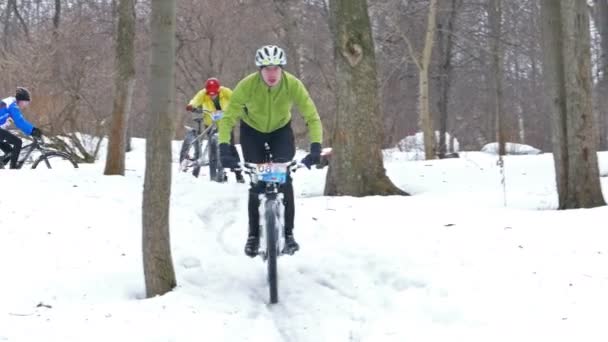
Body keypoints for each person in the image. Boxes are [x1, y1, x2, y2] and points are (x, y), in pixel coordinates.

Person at [218, 45, 323, 257]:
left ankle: (289, 235)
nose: (272, 74)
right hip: (252, 132)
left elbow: (311, 116)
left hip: (280, 132)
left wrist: (315, 147)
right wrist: (223, 148)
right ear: (260, 70)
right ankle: (253, 236)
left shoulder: (292, 84)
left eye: (276, 68)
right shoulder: (247, 85)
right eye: (267, 69)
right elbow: (228, 118)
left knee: (284, 180)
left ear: (282, 68)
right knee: (257, 184)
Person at [186, 77, 244, 183]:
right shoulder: (203, 94)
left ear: (218, 90)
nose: (212, 95)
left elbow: (236, 99)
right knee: (213, 148)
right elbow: (195, 100)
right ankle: (218, 172)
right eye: (210, 93)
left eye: (215, 93)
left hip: (226, 124)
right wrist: (191, 105)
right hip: (210, 123)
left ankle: (238, 173)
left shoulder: (225, 92)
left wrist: (239, 106)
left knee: (230, 148)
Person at [0, 87, 42, 169]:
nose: (25, 105)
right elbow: (20, 122)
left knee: (10, 152)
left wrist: (29, 131)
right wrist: (33, 130)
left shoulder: (9, 102)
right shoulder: (13, 105)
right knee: (18, 142)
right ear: (21, 100)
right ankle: (13, 170)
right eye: (25, 102)